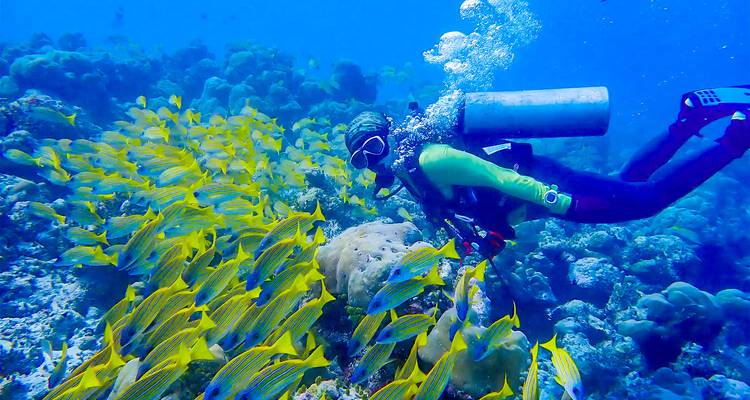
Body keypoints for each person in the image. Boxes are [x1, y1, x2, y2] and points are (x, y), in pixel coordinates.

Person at [345, 90, 750, 260]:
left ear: (391, 136)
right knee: (629, 184)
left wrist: (561, 201)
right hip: (537, 195)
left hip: (545, 186)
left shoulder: (430, 159)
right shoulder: (414, 180)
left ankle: (736, 136)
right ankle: (689, 119)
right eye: (363, 160)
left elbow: (498, 179)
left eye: (375, 148)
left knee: (648, 201)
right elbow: (473, 204)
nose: (375, 163)